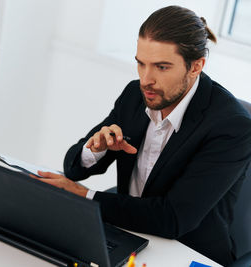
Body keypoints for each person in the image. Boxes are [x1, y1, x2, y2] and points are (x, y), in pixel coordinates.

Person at [34, 5, 251, 266]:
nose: (146, 79)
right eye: (141, 64)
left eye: (161, 67)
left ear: (196, 66)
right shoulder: (135, 95)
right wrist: (95, 149)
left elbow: (173, 219)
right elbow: (74, 168)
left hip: (188, 250)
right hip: (128, 231)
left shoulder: (232, 126)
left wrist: (85, 198)